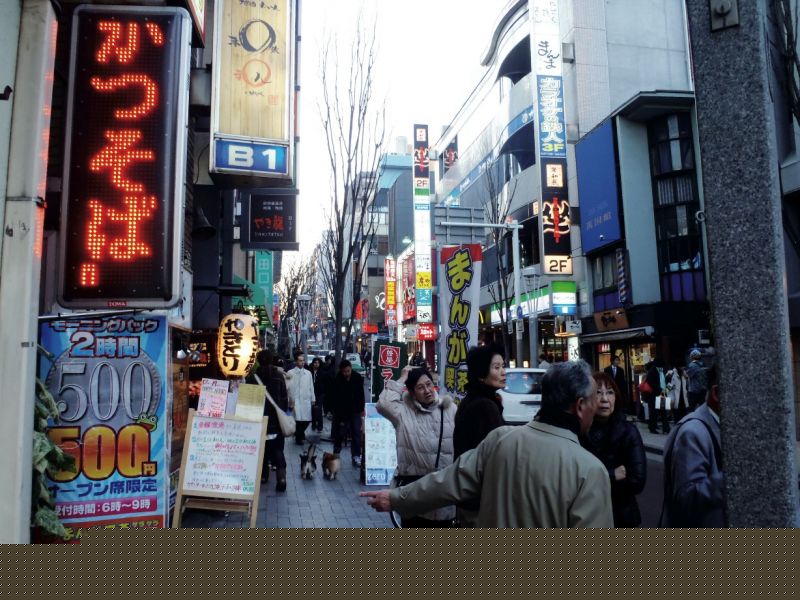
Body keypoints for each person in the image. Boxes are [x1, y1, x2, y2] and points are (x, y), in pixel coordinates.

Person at [360, 360, 613, 528]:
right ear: (580, 406)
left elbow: (447, 481)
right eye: (594, 397)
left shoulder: (500, 440)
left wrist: (395, 498)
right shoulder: (589, 471)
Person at [377, 365, 457, 527]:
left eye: (429, 384)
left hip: (443, 494)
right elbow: (383, 404)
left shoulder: (449, 408)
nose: (427, 390)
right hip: (414, 495)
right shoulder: (403, 412)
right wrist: (402, 379)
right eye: (420, 387)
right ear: (412, 393)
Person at [659, 366, 724, 527]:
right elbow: (687, 499)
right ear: (716, 393)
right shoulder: (693, 433)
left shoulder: (721, 424)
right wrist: (736, 479)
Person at [581, 371, 647, 527]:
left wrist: (595, 482)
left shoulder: (629, 432)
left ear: (616, 397)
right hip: (586, 516)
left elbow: (637, 481)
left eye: (610, 392)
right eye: (598, 393)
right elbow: (574, 481)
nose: (604, 399)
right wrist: (612, 474)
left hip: (622, 516)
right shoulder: (579, 431)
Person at [246, 349, 289, 491]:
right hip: (276, 421)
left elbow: (249, 403)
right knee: (277, 449)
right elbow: (284, 400)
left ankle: (263, 476)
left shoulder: (253, 377)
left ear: (258, 361)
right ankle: (281, 476)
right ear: (272, 360)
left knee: (261, 449)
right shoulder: (278, 376)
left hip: (258, 420)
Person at [453, 345, 507, 459]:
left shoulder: (474, 399)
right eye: (497, 367)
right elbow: (492, 451)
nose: (503, 372)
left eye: (503, 366)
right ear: (481, 375)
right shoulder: (484, 406)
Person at [330, 359, 366, 467]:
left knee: (356, 433)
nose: (346, 373)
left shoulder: (357, 378)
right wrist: (334, 411)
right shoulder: (338, 379)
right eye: (344, 371)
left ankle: (356, 455)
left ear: (351, 368)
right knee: (340, 432)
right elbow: (335, 398)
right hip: (342, 412)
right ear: (341, 371)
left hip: (355, 410)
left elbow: (361, 394)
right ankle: (336, 451)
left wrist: (362, 409)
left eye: (348, 371)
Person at [284, 350, 315, 444]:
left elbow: (311, 387)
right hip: (295, 399)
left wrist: (313, 398)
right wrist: (288, 399)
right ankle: (299, 437)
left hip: (305, 399)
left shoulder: (308, 373)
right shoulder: (290, 372)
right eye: (300, 360)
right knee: (297, 419)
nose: (302, 362)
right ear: (296, 362)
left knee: (307, 420)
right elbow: (287, 387)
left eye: (303, 360)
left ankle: (299, 434)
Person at [646, 359, 670, 434]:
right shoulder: (652, 371)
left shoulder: (661, 370)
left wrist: (666, 389)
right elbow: (651, 383)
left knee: (663, 412)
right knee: (654, 412)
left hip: (663, 393)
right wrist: (660, 389)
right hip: (655, 394)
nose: (662, 367)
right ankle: (652, 428)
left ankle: (666, 428)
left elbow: (664, 381)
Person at [308, 357, 325, 432]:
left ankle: (320, 426)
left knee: (319, 409)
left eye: (318, 363)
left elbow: (323, 382)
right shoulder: (310, 371)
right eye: (315, 363)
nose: (316, 364)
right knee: (313, 409)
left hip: (319, 393)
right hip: (311, 392)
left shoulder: (322, 372)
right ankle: (314, 424)